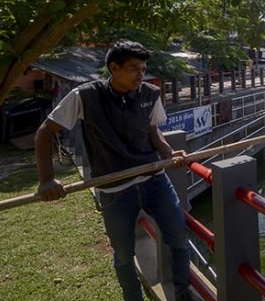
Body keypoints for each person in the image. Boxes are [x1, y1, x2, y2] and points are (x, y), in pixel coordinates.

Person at [35, 40, 195, 301]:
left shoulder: (148, 94)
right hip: (114, 188)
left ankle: (182, 292)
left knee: (178, 236)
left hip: (154, 179)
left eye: (143, 69)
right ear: (114, 67)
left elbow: (153, 131)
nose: (141, 75)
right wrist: (47, 180)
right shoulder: (85, 95)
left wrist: (169, 154)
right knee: (123, 254)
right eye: (133, 69)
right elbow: (45, 132)